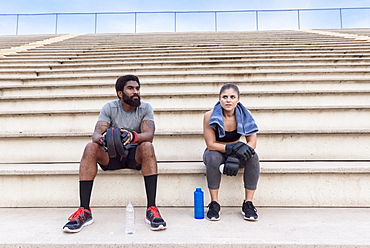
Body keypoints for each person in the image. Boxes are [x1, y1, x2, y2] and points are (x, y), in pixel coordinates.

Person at [63, 75, 167, 233]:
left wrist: (132, 136)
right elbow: (96, 134)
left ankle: (151, 208)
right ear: (120, 93)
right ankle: (84, 210)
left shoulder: (145, 108)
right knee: (90, 147)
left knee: (147, 146)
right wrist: (104, 139)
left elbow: (149, 134)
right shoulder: (109, 108)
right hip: (112, 155)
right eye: (130, 88)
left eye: (137, 88)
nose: (135, 92)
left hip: (134, 154)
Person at [202, 83, 260, 221]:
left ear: (238, 99)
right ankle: (214, 203)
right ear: (219, 99)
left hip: (236, 152)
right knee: (213, 158)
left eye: (232, 97)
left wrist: (238, 151)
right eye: (225, 97)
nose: (228, 100)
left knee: (253, 157)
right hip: (216, 151)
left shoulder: (246, 115)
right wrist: (232, 148)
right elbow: (211, 145)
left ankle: (248, 203)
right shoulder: (209, 116)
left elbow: (252, 143)